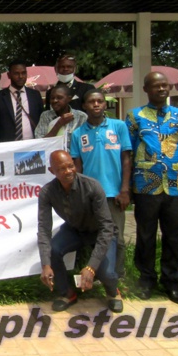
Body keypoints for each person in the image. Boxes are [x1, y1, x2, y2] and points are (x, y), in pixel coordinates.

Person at [125, 71, 178, 305]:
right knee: (145, 235)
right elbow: (128, 152)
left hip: (177, 185)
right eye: (156, 86)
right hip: (146, 185)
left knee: (173, 237)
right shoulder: (135, 117)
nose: (162, 89)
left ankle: (172, 282)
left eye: (165, 86)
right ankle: (146, 280)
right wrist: (127, 187)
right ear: (146, 89)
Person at [38, 150, 122, 313]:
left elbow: (107, 227)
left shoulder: (92, 186)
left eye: (71, 166)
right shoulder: (47, 192)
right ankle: (67, 293)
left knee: (106, 273)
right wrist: (46, 264)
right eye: (62, 169)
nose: (68, 171)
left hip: (101, 232)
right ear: (52, 171)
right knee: (54, 250)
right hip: (75, 230)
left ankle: (113, 292)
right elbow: (43, 228)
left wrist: (91, 267)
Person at [71, 89, 131, 278]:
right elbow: (77, 166)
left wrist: (124, 190)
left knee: (118, 238)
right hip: (90, 195)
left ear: (105, 104)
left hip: (114, 193)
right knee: (95, 237)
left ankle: (117, 276)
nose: (96, 104)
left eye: (99, 101)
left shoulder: (119, 126)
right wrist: (79, 195)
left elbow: (126, 159)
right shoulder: (78, 134)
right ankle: (95, 275)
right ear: (84, 106)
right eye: (91, 102)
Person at [0, 60, 44, 142]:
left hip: (32, 144)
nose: (21, 76)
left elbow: (41, 119)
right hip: (8, 146)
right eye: (16, 73)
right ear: (9, 75)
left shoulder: (35, 95)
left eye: (23, 73)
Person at [34, 84, 87, 149]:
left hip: (74, 157)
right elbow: (40, 143)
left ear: (69, 99)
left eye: (59, 98)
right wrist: (59, 124)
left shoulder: (81, 116)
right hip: (51, 156)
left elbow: (86, 142)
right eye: (52, 98)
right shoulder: (46, 115)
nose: (55, 101)